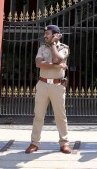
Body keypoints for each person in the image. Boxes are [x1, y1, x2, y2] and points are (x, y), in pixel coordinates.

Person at [25, 25, 72, 154]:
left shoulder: (64, 48)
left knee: (60, 116)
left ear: (55, 35)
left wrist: (53, 46)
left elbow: (57, 58)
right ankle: (34, 143)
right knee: (38, 115)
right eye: (45, 33)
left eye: (48, 33)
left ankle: (64, 143)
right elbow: (39, 64)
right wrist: (58, 67)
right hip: (43, 84)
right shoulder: (41, 47)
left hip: (57, 86)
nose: (45, 35)